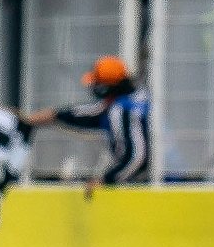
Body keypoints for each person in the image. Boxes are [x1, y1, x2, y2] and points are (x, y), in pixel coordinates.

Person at [21, 56, 150, 196]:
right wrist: (51, 116)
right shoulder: (136, 98)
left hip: (150, 184)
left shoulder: (121, 110)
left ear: (105, 88)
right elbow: (89, 113)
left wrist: (105, 180)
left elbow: (137, 157)